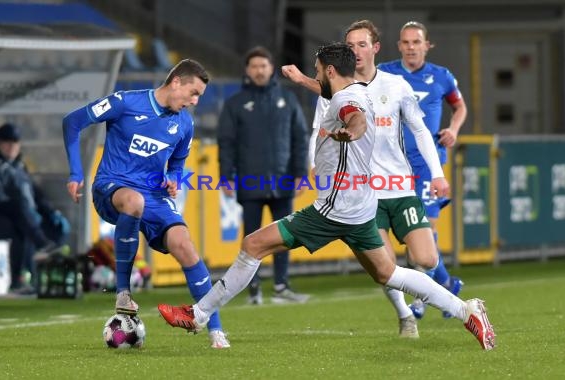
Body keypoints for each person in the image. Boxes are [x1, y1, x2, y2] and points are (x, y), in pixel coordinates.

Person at [157, 43, 496, 351]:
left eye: (319, 70)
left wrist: (352, 130)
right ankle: (467, 310)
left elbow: (354, 116)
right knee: (388, 274)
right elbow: (334, 94)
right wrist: (302, 78)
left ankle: (199, 314)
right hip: (361, 207)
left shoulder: (348, 103)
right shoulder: (356, 89)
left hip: (333, 209)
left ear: (330, 71)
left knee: (253, 245)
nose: (317, 75)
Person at [281, 20, 449, 338]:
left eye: (361, 44)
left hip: (400, 187)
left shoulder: (397, 86)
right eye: (350, 46)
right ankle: (406, 317)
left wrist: (437, 174)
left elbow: (420, 130)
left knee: (425, 258)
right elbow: (317, 128)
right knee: (384, 267)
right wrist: (311, 164)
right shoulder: (332, 92)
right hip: (363, 193)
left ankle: (421, 295)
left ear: (375, 48)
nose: (355, 51)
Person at [62, 59, 230, 349]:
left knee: (184, 244)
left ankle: (215, 330)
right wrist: (76, 172)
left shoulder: (184, 124)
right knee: (134, 201)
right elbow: (72, 122)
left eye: (199, 96)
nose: (194, 101)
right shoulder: (125, 102)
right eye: (193, 93)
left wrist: (175, 177)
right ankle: (123, 292)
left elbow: (177, 162)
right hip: (111, 185)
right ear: (176, 81)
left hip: (153, 193)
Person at [378, 21, 467, 319]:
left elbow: (460, 107)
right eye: (405, 42)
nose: (411, 47)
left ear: (427, 45)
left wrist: (453, 129)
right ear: (399, 46)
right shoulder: (385, 72)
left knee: (423, 231)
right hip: (393, 164)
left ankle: (420, 299)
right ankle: (446, 283)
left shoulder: (441, 76)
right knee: (408, 233)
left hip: (428, 165)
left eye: (416, 42)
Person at [217, 46, 310, 305]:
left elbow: (300, 139)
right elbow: (226, 142)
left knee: (285, 234)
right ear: (247, 70)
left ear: (271, 69)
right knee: (251, 237)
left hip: (282, 181)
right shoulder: (235, 104)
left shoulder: (288, 100)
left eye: (264, 65)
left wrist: (301, 174)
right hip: (249, 180)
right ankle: (253, 290)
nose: (259, 70)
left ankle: (281, 285)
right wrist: (226, 176)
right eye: (254, 66)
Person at [0, 122, 69, 292]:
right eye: (6, 142)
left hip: (25, 216)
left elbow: (36, 193)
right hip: (4, 214)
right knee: (20, 222)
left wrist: (51, 211)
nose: (11, 147)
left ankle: (46, 276)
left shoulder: (21, 166)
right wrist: (23, 209)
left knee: (55, 227)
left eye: (15, 142)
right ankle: (21, 276)